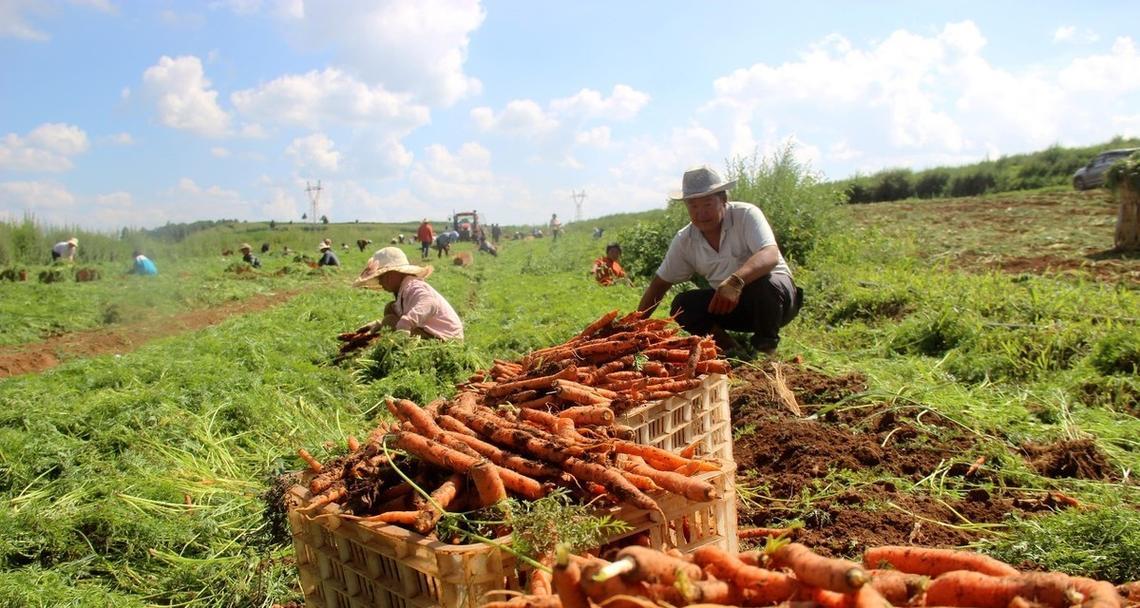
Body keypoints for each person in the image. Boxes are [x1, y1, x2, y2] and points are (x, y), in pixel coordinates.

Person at [636, 165, 802, 355]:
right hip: (732, 307)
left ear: (723, 199)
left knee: (764, 283)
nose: (700, 213)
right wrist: (634, 326)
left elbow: (770, 254)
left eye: (707, 204)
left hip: (776, 304)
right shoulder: (685, 240)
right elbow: (659, 284)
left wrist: (735, 281)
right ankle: (729, 347)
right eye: (693, 206)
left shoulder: (746, 215)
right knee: (682, 305)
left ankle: (766, 349)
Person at [352, 247, 463, 340]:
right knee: (390, 308)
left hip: (447, 338)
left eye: (381, 276)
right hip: (435, 333)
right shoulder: (404, 289)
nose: (380, 281)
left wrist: (406, 323)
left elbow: (430, 302)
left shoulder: (414, 286)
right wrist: (379, 324)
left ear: (394, 273)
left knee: (389, 321)